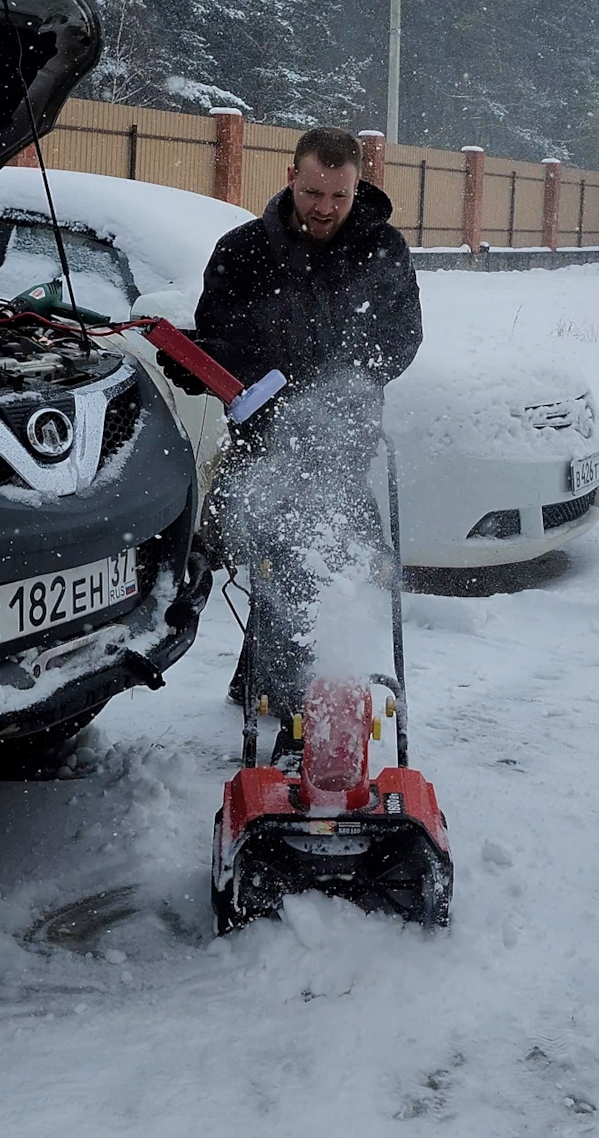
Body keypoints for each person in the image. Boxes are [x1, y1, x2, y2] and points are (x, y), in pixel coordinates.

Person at [159, 127, 422, 759]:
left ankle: (293, 711)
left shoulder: (382, 250)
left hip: (341, 442)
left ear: (358, 185)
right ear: (289, 177)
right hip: (263, 441)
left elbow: (402, 338)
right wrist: (201, 363)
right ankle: (287, 702)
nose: (325, 208)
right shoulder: (243, 250)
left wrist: (335, 387)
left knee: (309, 563)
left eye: (338, 194)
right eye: (312, 192)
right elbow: (219, 337)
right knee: (287, 558)